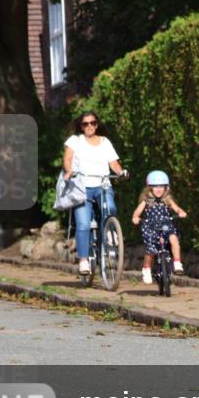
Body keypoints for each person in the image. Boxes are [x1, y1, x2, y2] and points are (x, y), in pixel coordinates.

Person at [62, 111, 127, 275]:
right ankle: (83, 260)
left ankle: (110, 231)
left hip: (102, 184)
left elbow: (114, 163)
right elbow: (68, 159)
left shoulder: (105, 142)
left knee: (110, 208)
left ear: (97, 124)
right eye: (85, 124)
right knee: (83, 224)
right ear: (81, 126)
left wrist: (121, 172)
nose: (89, 126)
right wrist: (69, 171)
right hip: (81, 187)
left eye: (92, 123)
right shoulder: (75, 141)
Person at [132, 170, 187, 284]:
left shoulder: (167, 199)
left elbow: (176, 208)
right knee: (151, 249)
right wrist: (136, 217)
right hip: (150, 226)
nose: (158, 189)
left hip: (166, 225)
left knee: (174, 239)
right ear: (149, 188)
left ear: (166, 188)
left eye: (161, 186)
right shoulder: (146, 200)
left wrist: (181, 212)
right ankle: (146, 268)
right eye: (155, 186)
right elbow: (137, 211)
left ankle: (177, 262)